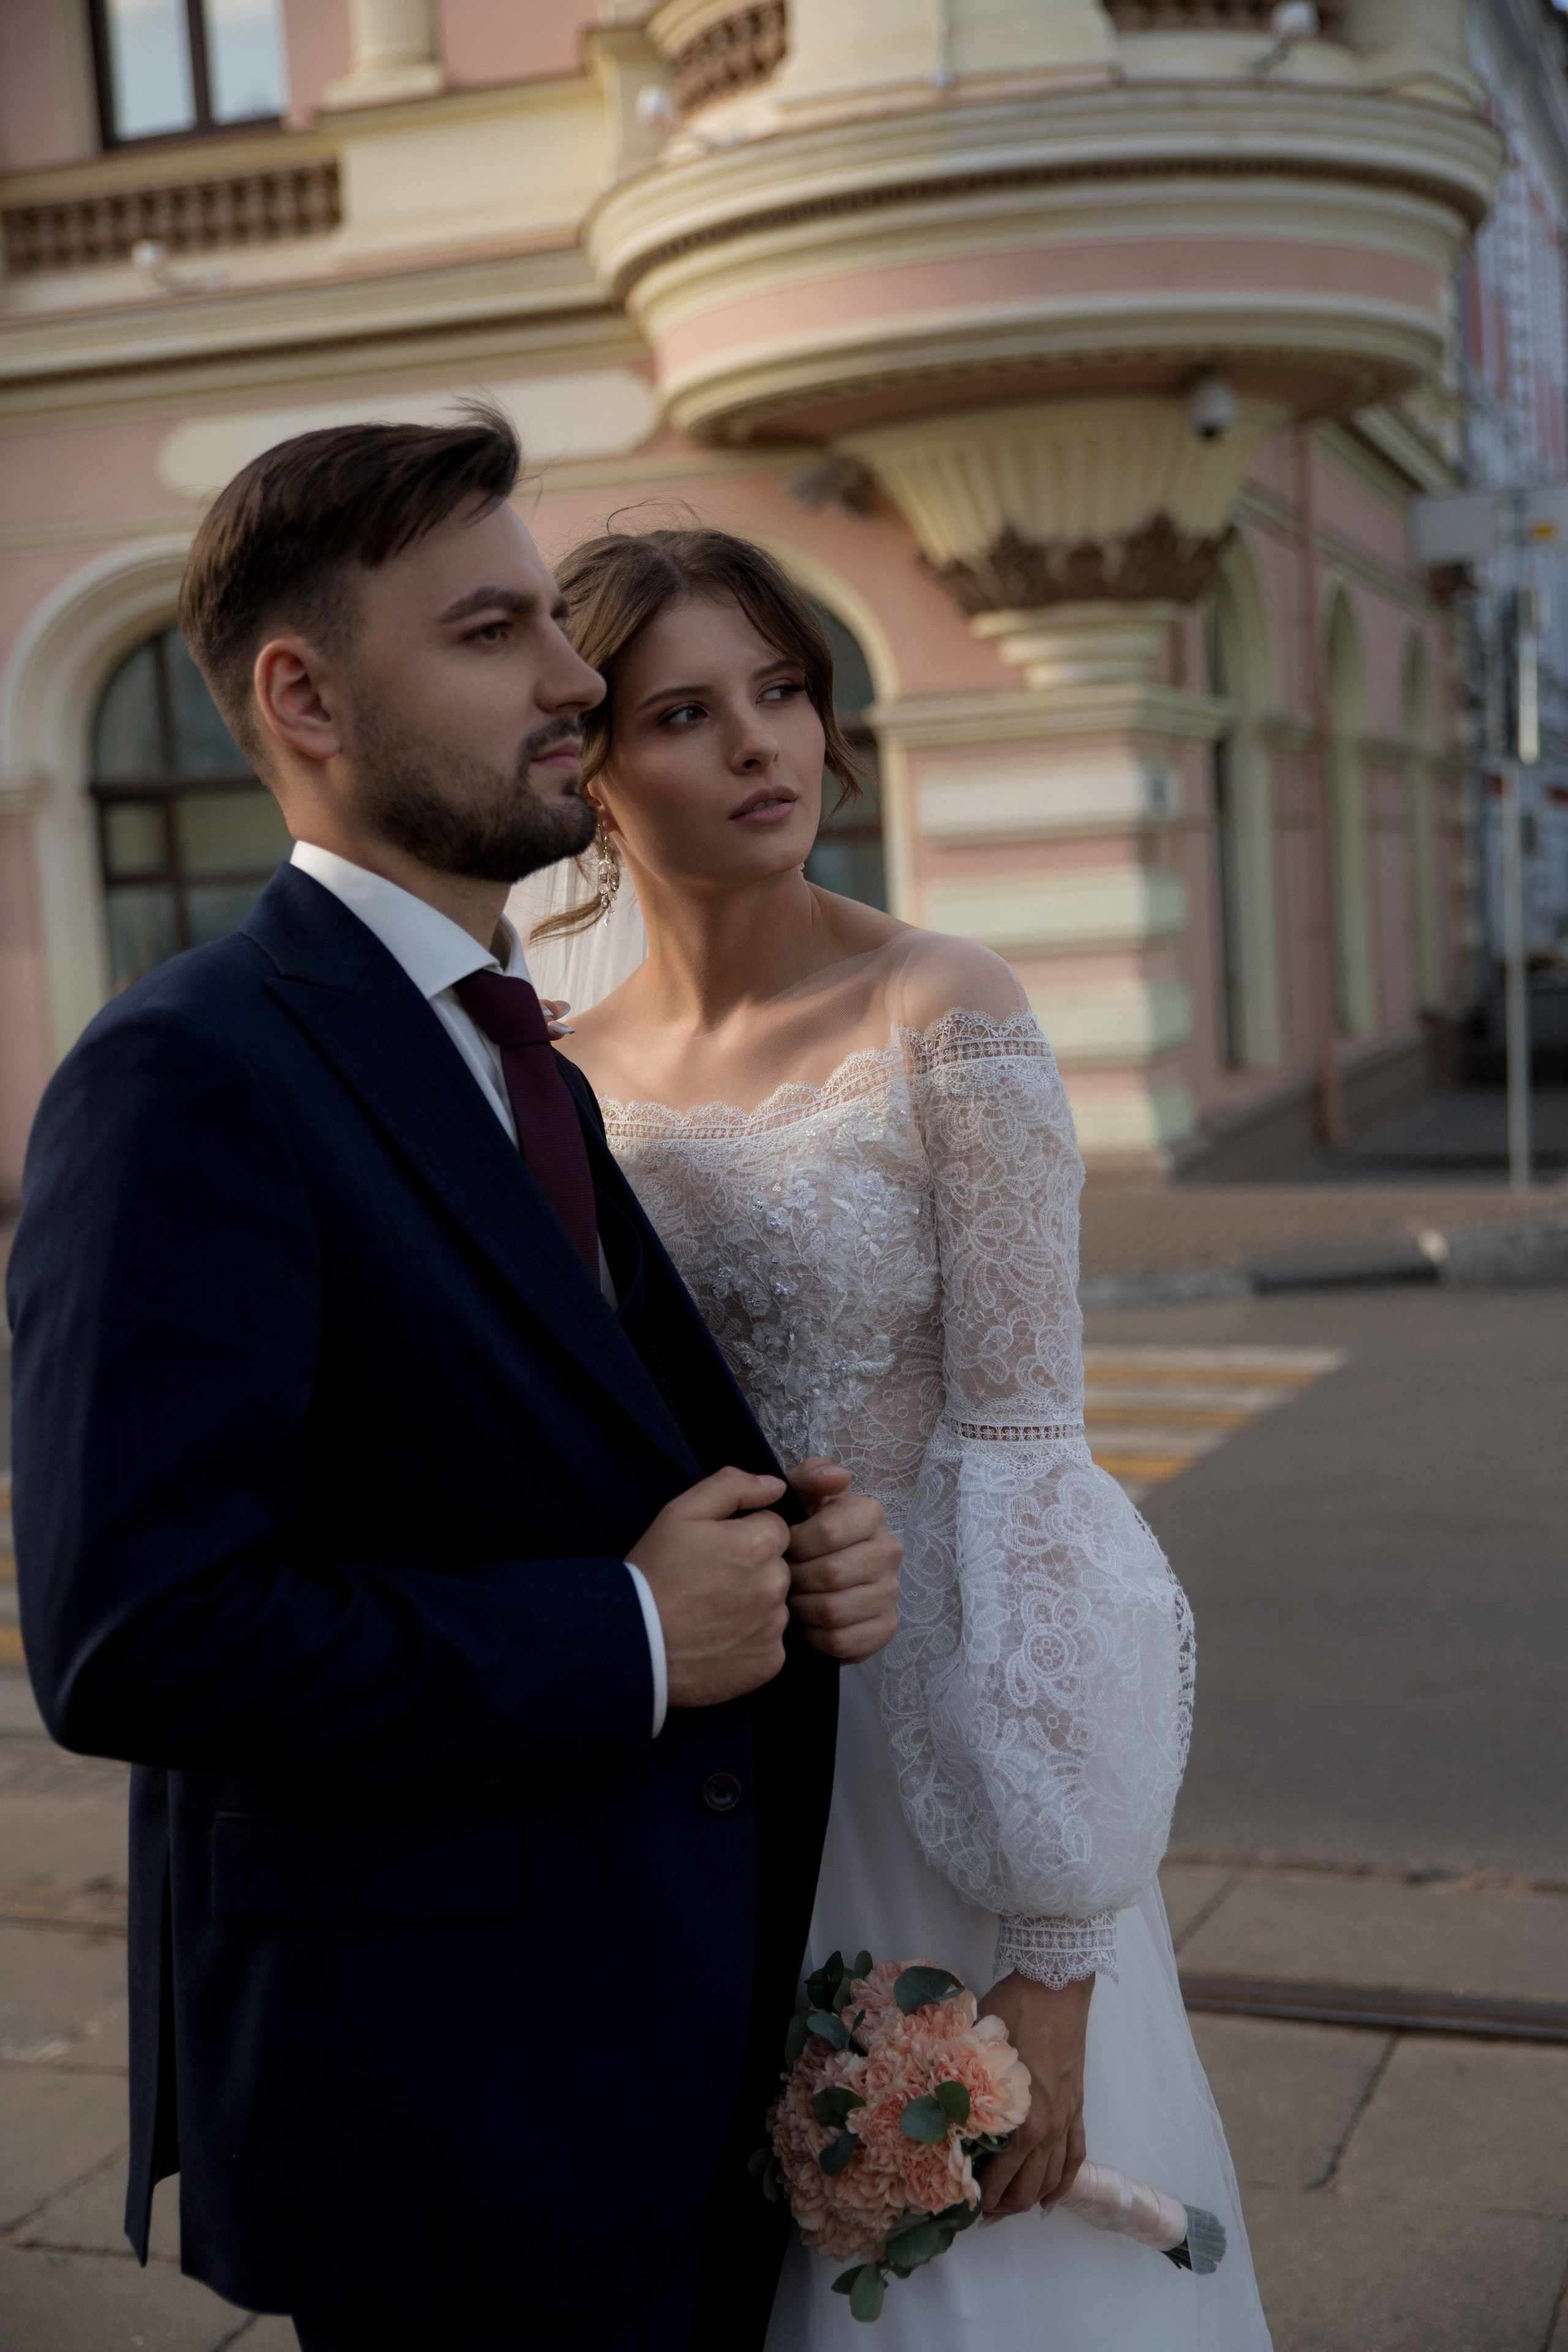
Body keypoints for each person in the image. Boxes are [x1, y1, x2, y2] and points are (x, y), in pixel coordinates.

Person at [6, 417, 902, 2352]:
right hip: (442, 2109)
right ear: (307, 696)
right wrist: (634, 1637)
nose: (580, 678)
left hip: (644, 2052)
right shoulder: (190, 1072)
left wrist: (802, 1569)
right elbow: (134, 1638)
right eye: (497, 632)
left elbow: (572, 1459)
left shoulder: (520, 1060)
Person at [513, 526, 1274, 2350]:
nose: (762, 745)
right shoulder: (559, 1071)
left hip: (949, 1740)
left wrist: (1059, 1946)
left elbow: (1031, 1470)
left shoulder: (949, 1008)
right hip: (696, 1732)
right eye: (686, 713)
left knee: (980, 2259)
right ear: (594, 769)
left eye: (782, 691)